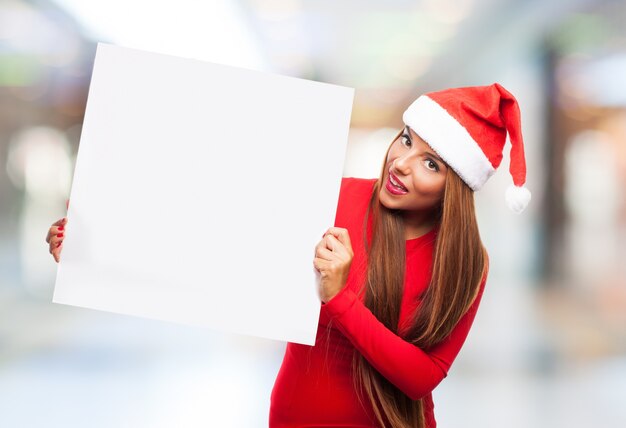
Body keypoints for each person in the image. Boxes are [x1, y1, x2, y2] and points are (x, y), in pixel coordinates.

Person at [47, 83, 531, 428]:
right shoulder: (333, 196)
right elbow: (217, 239)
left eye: (431, 163)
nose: (401, 163)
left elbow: (422, 377)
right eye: (406, 140)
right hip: (294, 418)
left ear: (459, 186)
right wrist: (94, 247)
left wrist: (340, 299)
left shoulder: (468, 263)